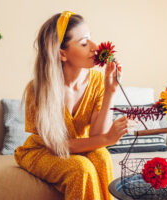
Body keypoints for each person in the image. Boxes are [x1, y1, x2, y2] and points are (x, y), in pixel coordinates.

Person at [14, 11, 135, 200]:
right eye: (85, 43)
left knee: (102, 157)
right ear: (62, 54)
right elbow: (57, 147)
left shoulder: (96, 81)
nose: (95, 47)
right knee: (82, 169)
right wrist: (109, 138)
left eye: (91, 38)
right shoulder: (38, 89)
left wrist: (110, 92)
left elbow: (96, 136)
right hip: (42, 152)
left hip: (79, 146)